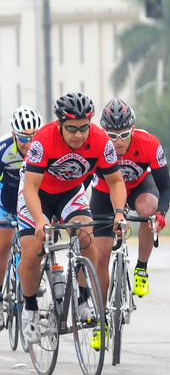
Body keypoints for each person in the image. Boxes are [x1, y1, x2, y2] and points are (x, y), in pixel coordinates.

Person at [18, 92, 127, 345]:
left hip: (69, 192)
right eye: (72, 129)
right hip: (38, 193)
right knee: (33, 249)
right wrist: (39, 220)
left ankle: (83, 299)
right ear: (59, 124)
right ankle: (30, 308)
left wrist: (119, 212)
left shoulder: (101, 141)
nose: (79, 135)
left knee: (86, 237)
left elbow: (115, 181)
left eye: (83, 128)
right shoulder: (43, 140)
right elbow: (30, 187)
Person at [91, 99, 170, 301]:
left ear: (133, 129)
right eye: (112, 136)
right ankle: (102, 314)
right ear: (103, 133)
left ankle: (141, 269)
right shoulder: (95, 144)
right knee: (101, 256)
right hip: (105, 191)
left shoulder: (149, 143)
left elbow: (165, 188)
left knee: (148, 210)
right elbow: (81, 180)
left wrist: (160, 214)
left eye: (124, 134)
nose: (118, 142)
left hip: (139, 186)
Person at [0, 106, 42, 279]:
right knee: (3, 245)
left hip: (32, 200)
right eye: (23, 138)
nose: (29, 144)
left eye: (33, 137)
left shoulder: (44, 146)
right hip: (7, 199)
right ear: (14, 135)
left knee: (37, 243)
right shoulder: (3, 148)